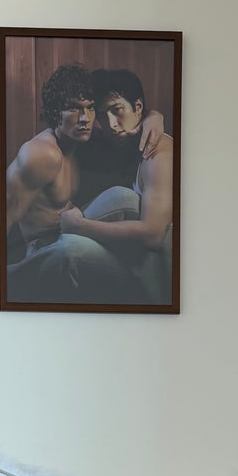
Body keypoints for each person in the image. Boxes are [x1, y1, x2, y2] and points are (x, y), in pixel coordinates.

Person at [5, 63, 141, 304]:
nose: (85, 119)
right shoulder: (41, 154)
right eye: (74, 108)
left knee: (125, 197)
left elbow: (137, 121)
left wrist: (155, 118)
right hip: (46, 251)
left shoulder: (79, 142)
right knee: (73, 251)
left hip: (68, 232)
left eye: (90, 108)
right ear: (55, 111)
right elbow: (2, 218)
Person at [59, 68, 174, 304]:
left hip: (162, 278)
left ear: (138, 107)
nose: (110, 124)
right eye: (103, 115)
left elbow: (153, 234)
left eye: (116, 110)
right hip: (138, 263)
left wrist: (80, 226)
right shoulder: (117, 144)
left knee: (72, 249)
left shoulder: (158, 151)